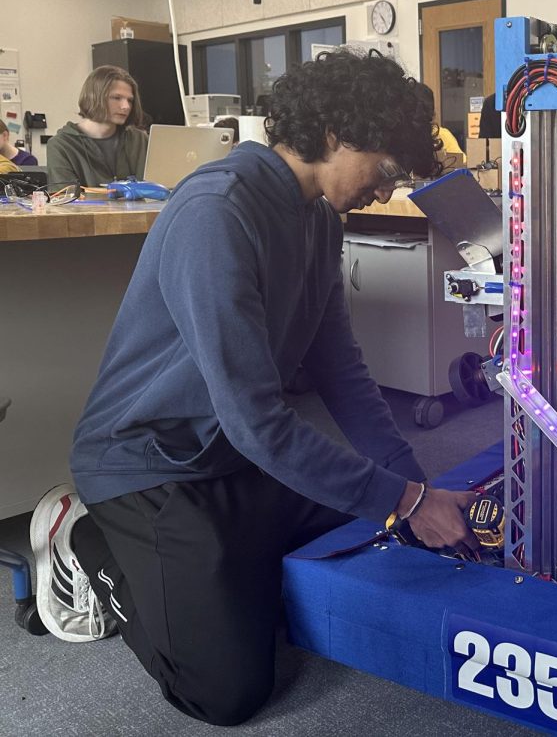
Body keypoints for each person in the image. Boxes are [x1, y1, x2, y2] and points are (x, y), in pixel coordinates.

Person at [30, 50, 479, 726]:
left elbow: (342, 372)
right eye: (384, 171)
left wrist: (410, 489)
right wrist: (405, 499)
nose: (385, 192)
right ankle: (88, 544)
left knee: (368, 523)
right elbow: (259, 422)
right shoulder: (216, 211)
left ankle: (213, 564)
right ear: (334, 134)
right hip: (148, 466)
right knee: (226, 690)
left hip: (228, 455)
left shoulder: (321, 219)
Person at [47, 65, 149, 189]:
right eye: (117, 98)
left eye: (130, 100)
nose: (125, 106)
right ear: (94, 97)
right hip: (88, 209)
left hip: (146, 209)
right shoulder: (61, 145)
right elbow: (64, 200)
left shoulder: (139, 140)